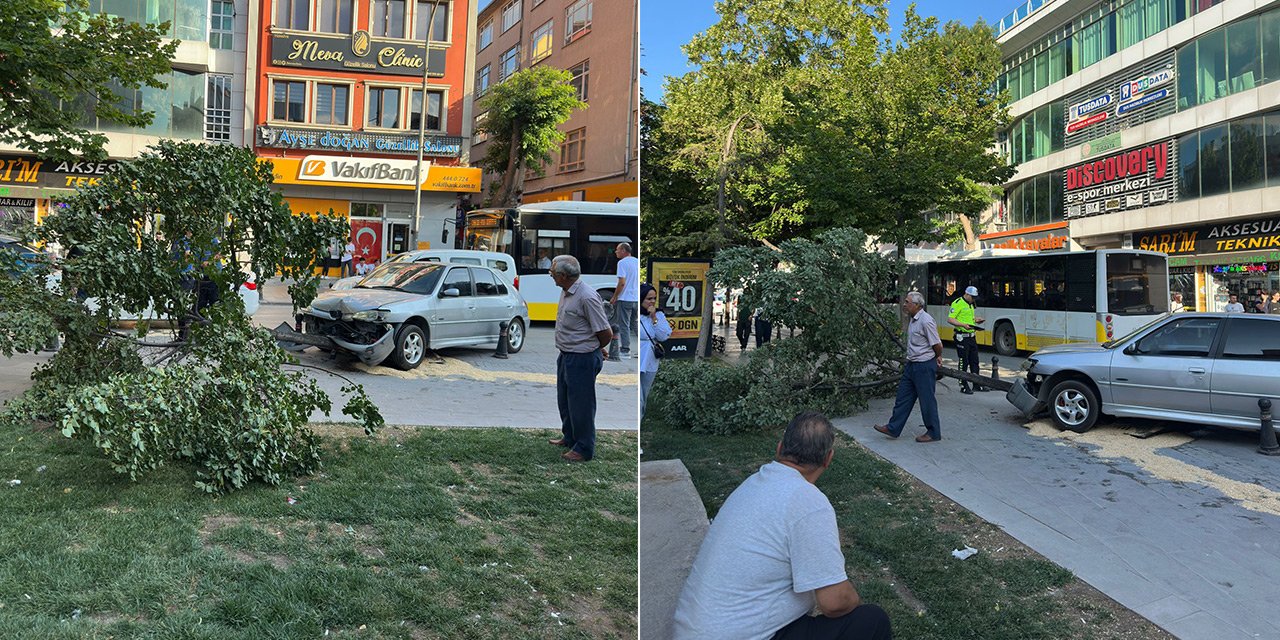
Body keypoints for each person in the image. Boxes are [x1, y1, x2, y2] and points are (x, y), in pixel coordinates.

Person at [673, 411, 893, 640]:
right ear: (828, 458)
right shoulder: (809, 503)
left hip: (692, 631)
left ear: (779, 449)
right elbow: (834, 603)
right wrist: (853, 600)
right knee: (872, 620)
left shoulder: (752, 484)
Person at [548, 255, 613, 462]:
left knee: (581, 405)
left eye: (553, 272)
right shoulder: (566, 291)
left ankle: (584, 448)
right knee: (565, 400)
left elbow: (605, 332)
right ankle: (570, 438)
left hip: (581, 358)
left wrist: (596, 348)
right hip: (567, 354)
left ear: (564, 276)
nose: (550, 274)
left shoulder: (587, 296)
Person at [874, 291, 943, 443]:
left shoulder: (926, 321)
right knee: (903, 398)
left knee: (927, 401)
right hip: (912, 365)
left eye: (907, 302)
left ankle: (933, 432)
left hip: (924, 366)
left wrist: (937, 356)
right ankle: (893, 428)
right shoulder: (913, 319)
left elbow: (937, 344)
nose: (904, 305)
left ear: (917, 305)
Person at [638, 283, 671, 420]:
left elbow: (663, 336)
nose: (652, 301)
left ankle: (641, 416)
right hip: (639, 355)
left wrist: (654, 319)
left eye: (654, 298)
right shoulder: (636, 315)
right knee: (638, 396)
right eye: (648, 298)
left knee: (644, 393)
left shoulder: (658, 315)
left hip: (650, 358)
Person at [947, 286, 985, 394]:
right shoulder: (958, 303)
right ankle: (963, 385)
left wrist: (976, 320)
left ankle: (976, 384)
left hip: (971, 336)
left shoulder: (970, 304)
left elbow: (968, 318)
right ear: (967, 294)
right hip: (962, 337)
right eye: (972, 297)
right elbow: (950, 319)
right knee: (964, 361)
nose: (974, 299)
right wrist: (963, 325)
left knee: (974, 361)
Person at [609, 242, 640, 358]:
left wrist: (615, 296)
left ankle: (625, 350)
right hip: (636, 299)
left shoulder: (622, 263)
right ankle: (641, 349)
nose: (616, 252)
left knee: (624, 325)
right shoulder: (636, 261)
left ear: (623, 250)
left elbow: (622, 283)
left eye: (617, 250)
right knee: (635, 324)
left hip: (625, 298)